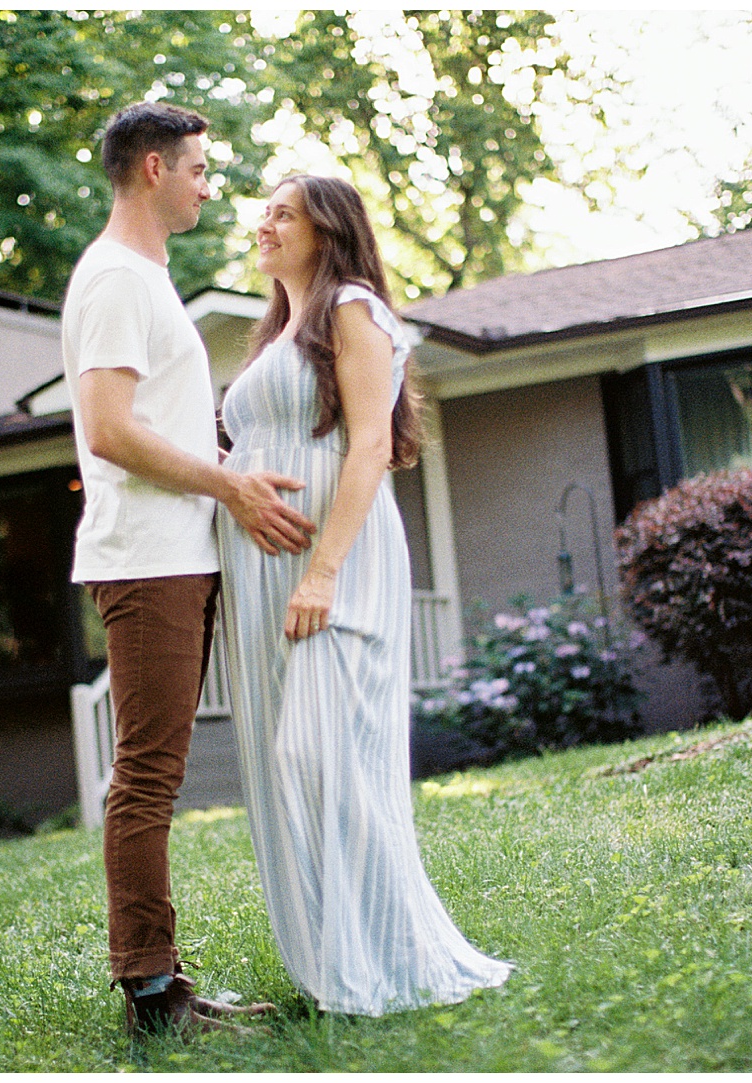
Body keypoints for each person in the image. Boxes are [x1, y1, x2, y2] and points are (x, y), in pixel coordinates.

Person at [215, 175, 513, 1017]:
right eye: (263, 212)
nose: (263, 223)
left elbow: (371, 443)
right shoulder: (277, 332)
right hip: (265, 571)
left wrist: (322, 571)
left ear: (328, 228)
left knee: (321, 750)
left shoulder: (352, 306)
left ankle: (391, 955)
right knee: (287, 765)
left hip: (333, 561)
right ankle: (335, 960)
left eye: (283, 212)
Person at [61, 102, 316, 1037]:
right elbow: (109, 430)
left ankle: (161, 980)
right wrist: (232, 485)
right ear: (155, 168)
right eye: (202, 168)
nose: (213, 186)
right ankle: (152, 992)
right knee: (148, 775)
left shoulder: (146, 279)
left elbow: (152, 420)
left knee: (154, 771)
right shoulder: (118, 280)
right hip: (147, 559)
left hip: (176, 555)